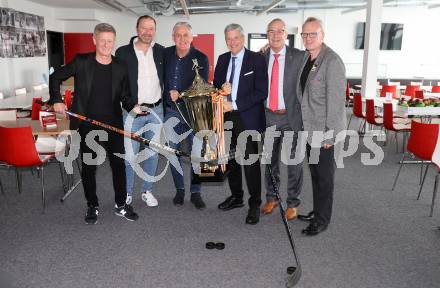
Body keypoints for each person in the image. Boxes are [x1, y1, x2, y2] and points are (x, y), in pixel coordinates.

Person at [49, 23, 142, 224]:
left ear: (114, 42)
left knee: (119, 165)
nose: (106, 44)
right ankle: (92, 205)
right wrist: (56, 99)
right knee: (89, 167)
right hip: (88, 125)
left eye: (110, 41)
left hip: (113, 125)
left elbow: (125, 96)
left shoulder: (120, 66)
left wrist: (132, 106)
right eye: (103, 41)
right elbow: (55, 77)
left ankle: (121, 204)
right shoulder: (82, 62)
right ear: (94, 40)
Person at [296, 17, 346, 235]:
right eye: (304, 34)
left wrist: (329, 137)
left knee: (325, 178)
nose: (308, 38)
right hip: (310, 130)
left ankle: (322, 220)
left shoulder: (332, 61)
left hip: (325, 132)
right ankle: (317, 211)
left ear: (322, 35)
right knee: (315, 174)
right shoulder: (307, 59)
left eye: (312, 34)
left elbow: (336, 104)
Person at [214, 23, 268, 225]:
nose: (232, 42)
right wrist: (221, 91)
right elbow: (215, 89)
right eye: (228, 39)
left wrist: (234, 104)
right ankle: (237, 197)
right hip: (226, 119)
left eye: (236, 38)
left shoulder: (256, 60)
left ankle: (255, 204)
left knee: (250, 163)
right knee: (231, 161)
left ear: (243, 39)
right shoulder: (222, 59)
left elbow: (261, 92)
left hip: (247, 118)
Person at [115, 15, 164, 207]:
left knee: (153, 154)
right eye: (144, 28)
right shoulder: (122, 53)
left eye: (151, 28)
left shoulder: (160, 52)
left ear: (154, 30)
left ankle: (147, 190)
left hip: (156, 111)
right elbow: (117, 85)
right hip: (132, 112)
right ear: (137, 29)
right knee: (130, 155)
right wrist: (129, 104)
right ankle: (127, 192)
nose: (147, 32)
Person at [261, 18, 305, 221]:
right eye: (271, 31)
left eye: (280, 31)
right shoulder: (260, 57)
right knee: (270, 161)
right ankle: (272, 197)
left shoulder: (299, 57)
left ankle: (293, 202)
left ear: (286, 34)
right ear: (267, 34)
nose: (276, 35)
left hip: (291, 117)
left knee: (294, 162)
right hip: (269, 116)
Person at [163, 22, 209, 209]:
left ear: (192, 37)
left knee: (196, 153)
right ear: (173, 36)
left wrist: (180, 93)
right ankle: (180, 189)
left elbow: (202, 86)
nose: (182, 39)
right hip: (171, 112)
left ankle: (196, 192)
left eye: (186, 35)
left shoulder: (201, 58)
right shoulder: (165, 54)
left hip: (193, 112)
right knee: (173, 152)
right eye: (178, 35)